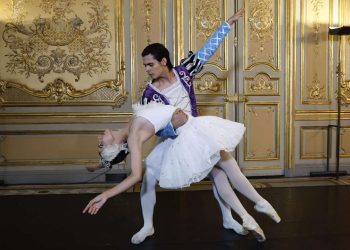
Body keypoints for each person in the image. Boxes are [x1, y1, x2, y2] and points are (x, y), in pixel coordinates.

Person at [84, 104, 280, 243]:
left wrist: (97, 165)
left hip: (188, 129)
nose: (99, 137)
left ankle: (249, 212)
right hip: (188, 134)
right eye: (101, 144)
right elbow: (135, 175)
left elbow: (118, 154)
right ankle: (255, 207)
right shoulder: (133, 136)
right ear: (113, 146)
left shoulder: (127, 134)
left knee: (225, 168)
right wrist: (105, 195)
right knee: (224, 167)